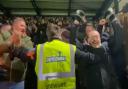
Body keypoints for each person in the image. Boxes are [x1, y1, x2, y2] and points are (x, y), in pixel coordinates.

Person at [0, 17, 33, 89]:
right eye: (21, 25)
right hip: (3, 79)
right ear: (14, 26)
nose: (24, 28)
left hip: (19, 80)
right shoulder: (3, 35)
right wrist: (10, 41)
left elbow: (29, 55)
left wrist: (19, 43)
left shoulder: (28, 40)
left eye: (25, 26)